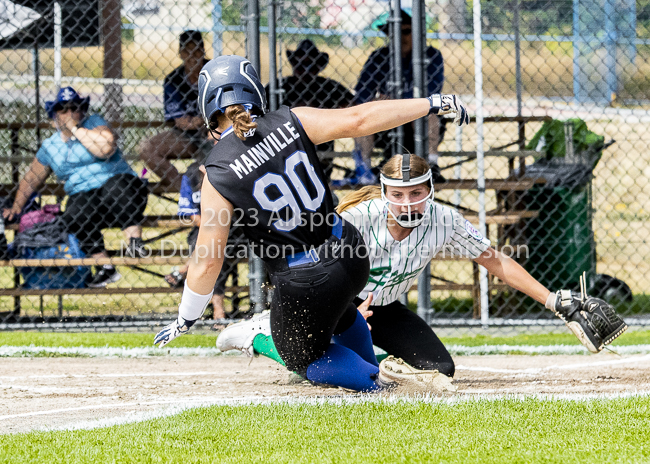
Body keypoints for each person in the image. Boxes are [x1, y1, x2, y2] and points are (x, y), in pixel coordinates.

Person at [153, 54, 471, 394]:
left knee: (303, 360)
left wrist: (186, 316)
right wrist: (432, 102)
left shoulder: (216, 172)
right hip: (349, 251)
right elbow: (360, 118)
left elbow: (207, 259)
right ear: (256, 95)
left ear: (207, 111)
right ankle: (370, 369)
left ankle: (375, 382)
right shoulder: (292, 119)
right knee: (342, 314)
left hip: (306, 278)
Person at [217, 154, 628, 379]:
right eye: (398, 194)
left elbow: (495, 260)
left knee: (441, 371)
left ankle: (343, 352)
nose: (409, 202)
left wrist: (552, 299)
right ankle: (258, 333)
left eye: (417, 192)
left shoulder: (444, 219)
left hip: (386, 308)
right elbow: (306, 263)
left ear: (430, 190)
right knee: (326, 366)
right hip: (338, 303)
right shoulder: (360, 217)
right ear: (383, 194)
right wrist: (340, 306)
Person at [2, 86, 149, 287]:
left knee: (117, 189)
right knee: (75, 211)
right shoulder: (51, 146)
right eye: (63, 109)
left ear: (82, 110)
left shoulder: (94, 123)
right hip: (87, 198)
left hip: (120, 188)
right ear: (54, 115)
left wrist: (76, 129)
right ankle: (105, 266)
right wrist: (17, 206)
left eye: (75, 107)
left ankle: (135, 242)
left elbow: (105, 148)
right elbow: (30, 180)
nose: (70, 113)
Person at [343, 9, 446, 186]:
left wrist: (397, 102)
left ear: (416, 32)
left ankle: (432, 165)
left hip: (417, 117)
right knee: (363, 112)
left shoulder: (431, 55)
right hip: (386, 119)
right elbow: (362, 92)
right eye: (394, 32)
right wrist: (374, 102)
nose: (400, 37)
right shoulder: (379, 57)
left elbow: (432, 92)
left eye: (406, 31)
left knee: (428, 111)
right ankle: (364, 169)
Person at [165, 161, 245, 323]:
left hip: (237, 229)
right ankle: (218, 310)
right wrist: (212, 229)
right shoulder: (192, 173)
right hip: (206, 228)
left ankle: (185, 269)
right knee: (214, 247)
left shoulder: (230, 169)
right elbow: (191, 213)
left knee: (219, 247)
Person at [139, 30, 214, 192]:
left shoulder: (214, 72)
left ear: (203, 51)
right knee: (147, 148)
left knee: (214, 148)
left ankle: (208, 186)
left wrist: (201, 121)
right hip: (186, 136)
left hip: (214, 131)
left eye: (196, 50)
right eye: (187, 51)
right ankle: (185, 189)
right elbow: (182, 122)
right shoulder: (173, 80)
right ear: (180, 53)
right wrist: (203, 119)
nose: (192, 56)